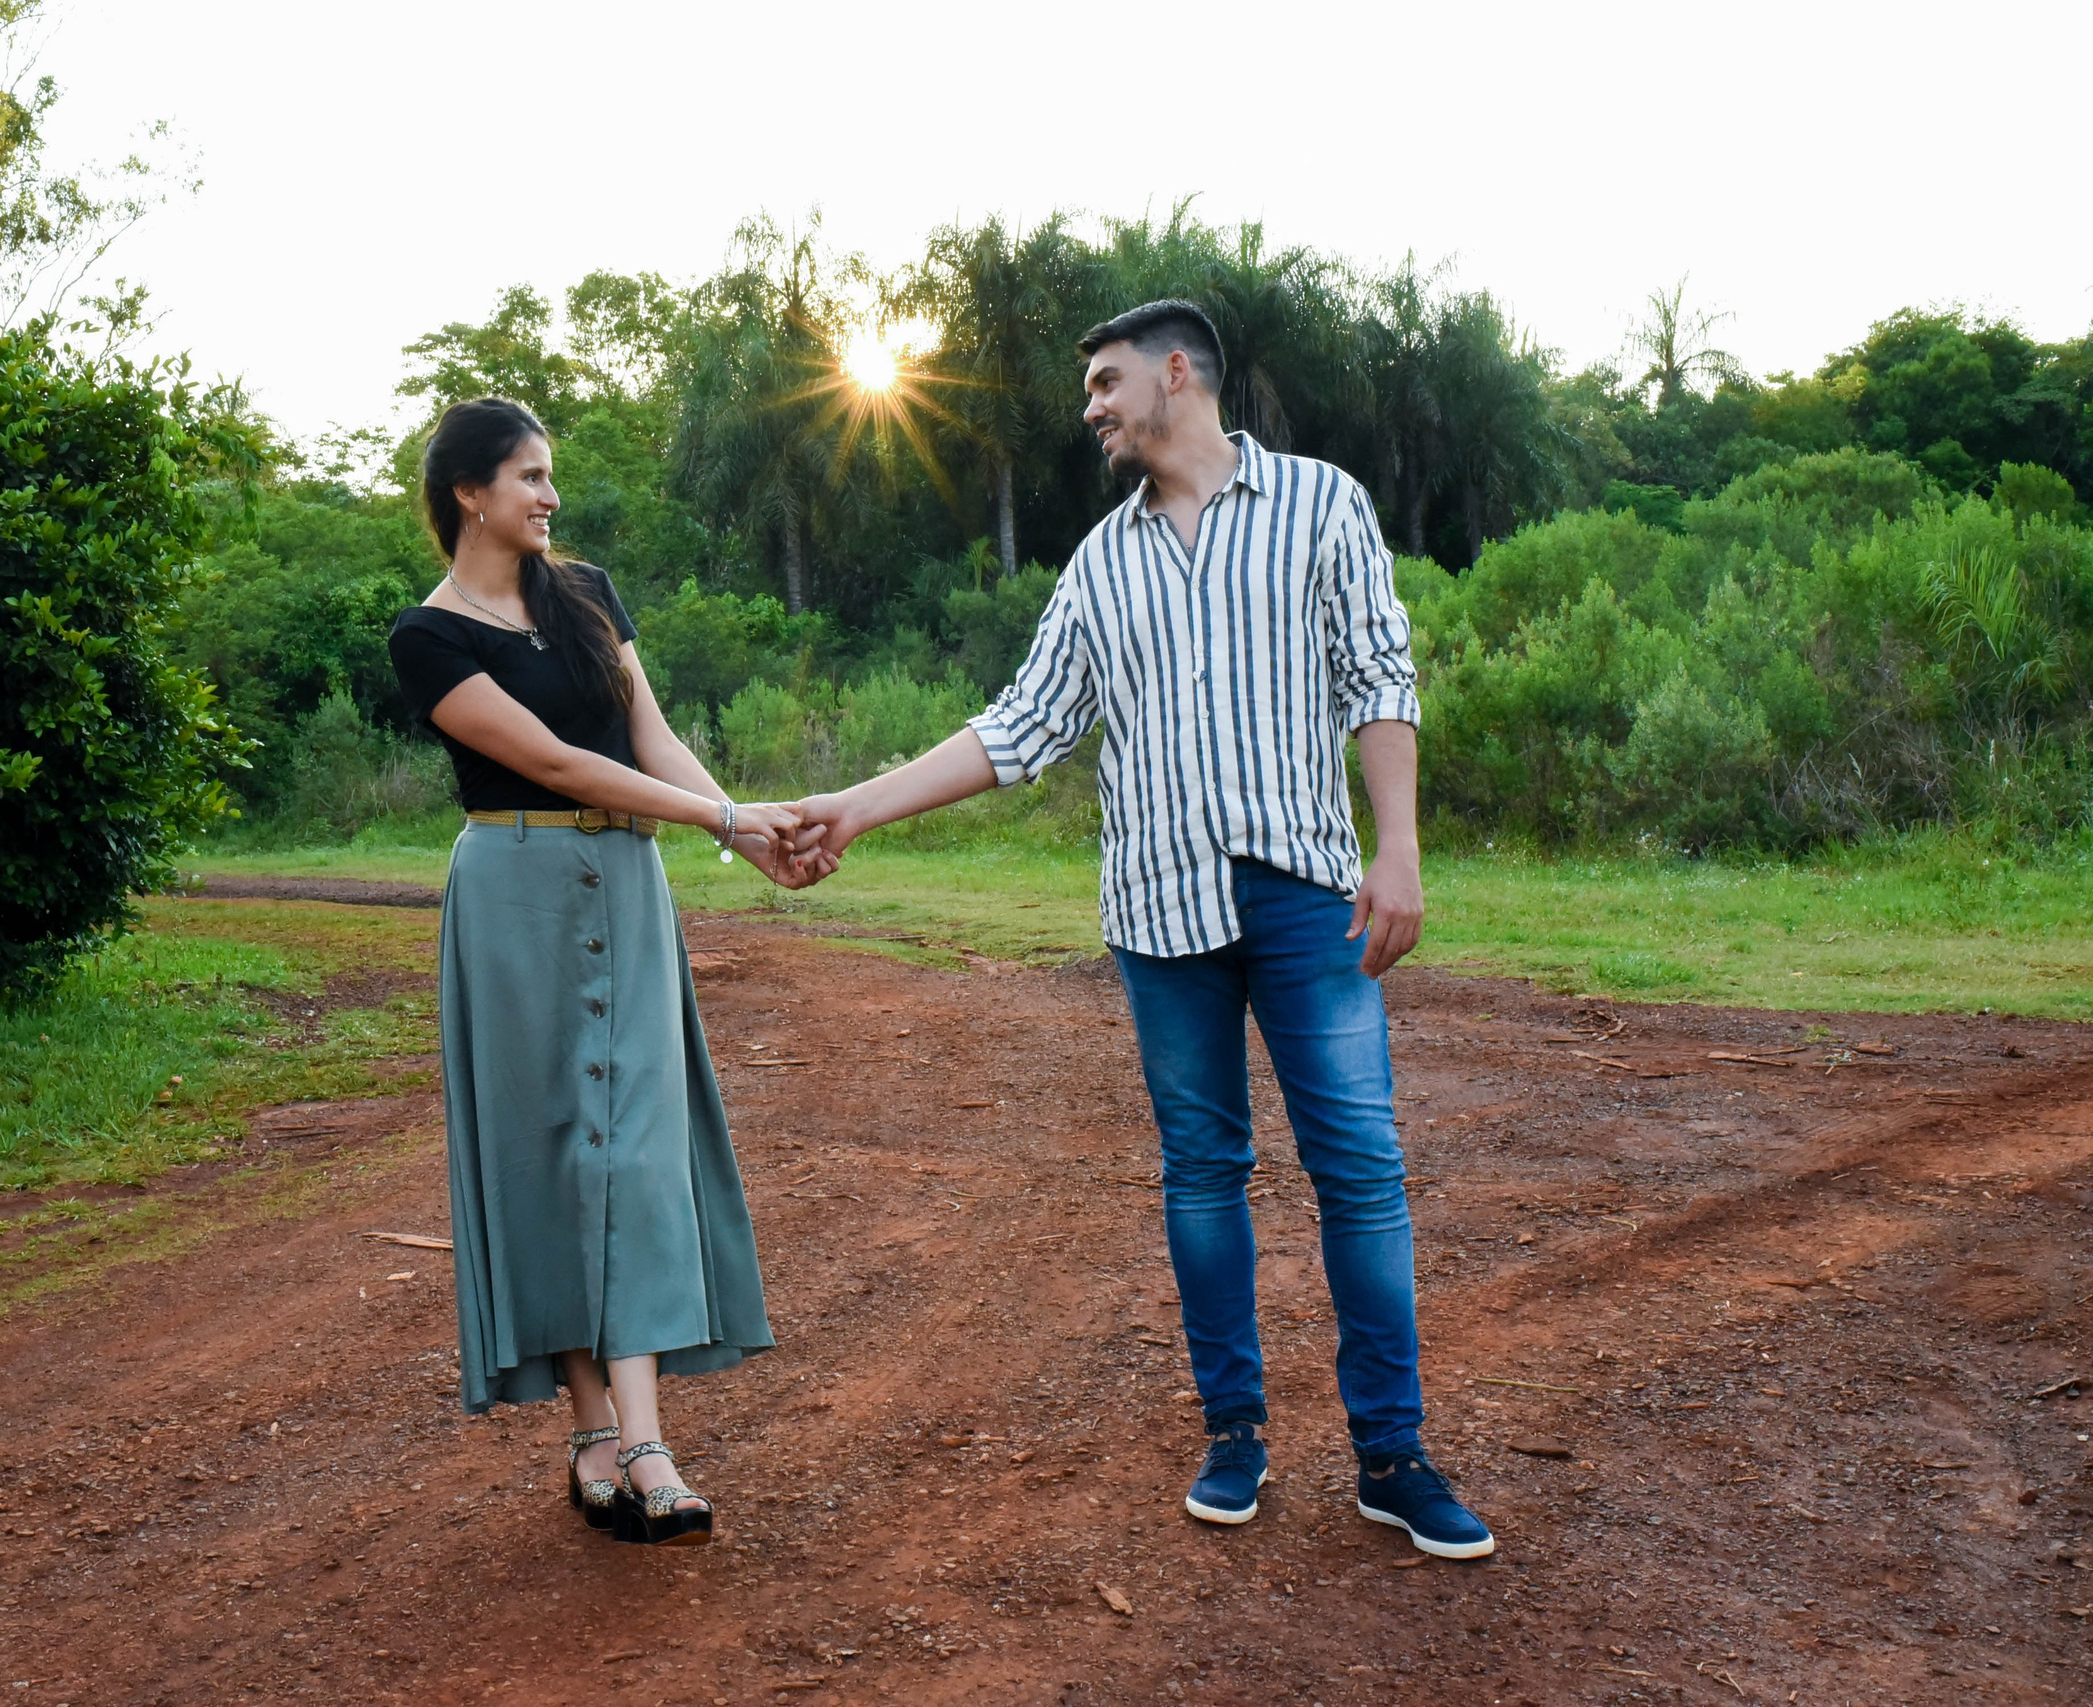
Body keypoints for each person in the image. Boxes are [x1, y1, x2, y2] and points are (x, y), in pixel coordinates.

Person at [787, 302, 1494, 1559]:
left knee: (1360, 1174)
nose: (1093, 407)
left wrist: (1398, 848)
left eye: (1107, 383)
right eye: (1088, 392)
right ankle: (1235, 1437)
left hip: (1301, 892)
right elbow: (1020, 727)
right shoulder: (1100, 565)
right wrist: (856, 807)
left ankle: (1392, 1456)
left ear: (1179, 375)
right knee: (1202, 1177)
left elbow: (1380, 676)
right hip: (1158, 915)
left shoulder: (1321, 505)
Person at [386, 397, 810, 1547]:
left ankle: (646, 1439)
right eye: (528, 476)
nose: (549, 497)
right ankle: (596, 1437)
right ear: (469, 491)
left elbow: (645, 738)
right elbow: (552, 757)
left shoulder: (584, 594)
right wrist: (722, 814)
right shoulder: (425, 638)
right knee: (550, 1158)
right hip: (512, 897)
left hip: (625, 885)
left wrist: (739, 829)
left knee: (628, 1150)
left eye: (549, 476)